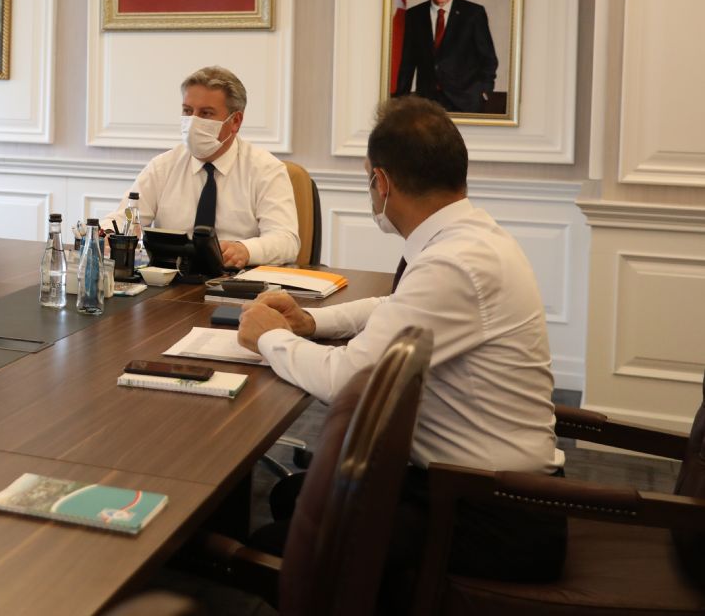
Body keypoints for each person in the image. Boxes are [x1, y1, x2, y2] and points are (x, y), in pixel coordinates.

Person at [238, 95, 565, 590]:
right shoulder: (469, 238)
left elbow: (347, 381)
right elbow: (398, 307)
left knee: (267, 551)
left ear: (382, 182)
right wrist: (309, 322)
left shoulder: (455, 263)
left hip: (493, 514)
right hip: (485, 487)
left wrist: (271, 338)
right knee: (294, 496)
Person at [106, 66, 298, 268]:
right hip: (173, 278)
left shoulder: (266, 170)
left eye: (206, 113)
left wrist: (246, 250)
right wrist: (107, 235)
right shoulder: (163, 167)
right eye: (187, 111)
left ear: (235, 121)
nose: (193, 122)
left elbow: (286, 240)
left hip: (239, 279)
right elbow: (121, 220)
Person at [394, 0, 498, 113]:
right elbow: (407, 62)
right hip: (426, 101)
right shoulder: (414, 15)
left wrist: (485, 89)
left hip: (466, 101)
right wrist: (400, 99)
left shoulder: (473, 13)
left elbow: (488, 58)